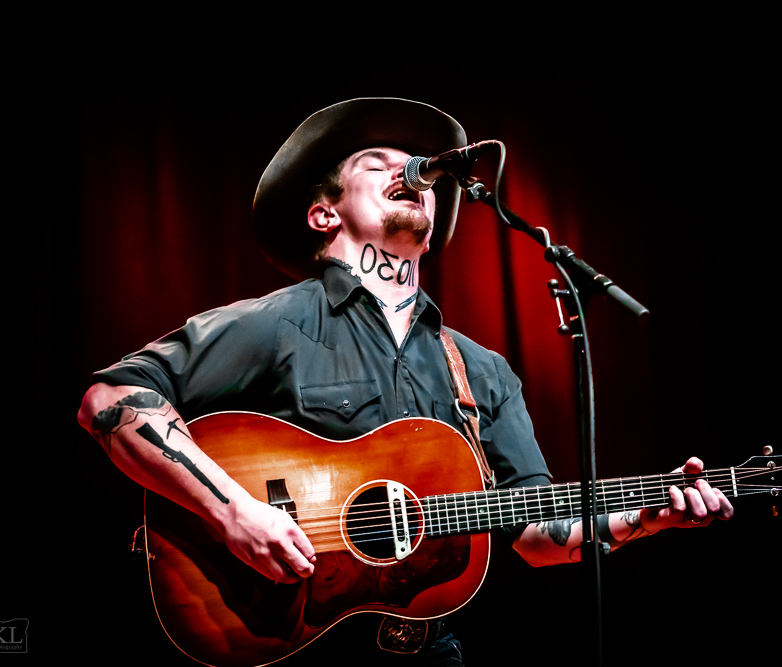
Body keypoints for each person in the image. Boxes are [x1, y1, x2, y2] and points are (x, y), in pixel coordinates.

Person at [77, 97, 734, 664]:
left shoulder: (479, 369)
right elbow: (109, 400)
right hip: (281, 643)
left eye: (417, 169)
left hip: (425, 653)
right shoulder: (271, 325)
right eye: (376, 162)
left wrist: (647, 516)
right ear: (323, 215)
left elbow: (538, 535)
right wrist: (233, 511)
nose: (410, 173)